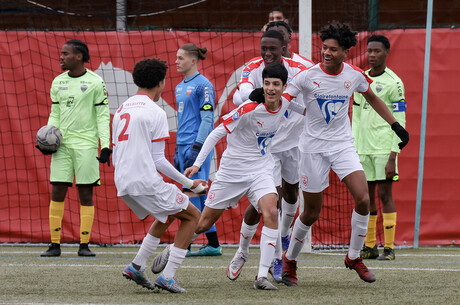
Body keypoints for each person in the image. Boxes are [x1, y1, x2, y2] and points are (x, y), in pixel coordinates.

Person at [153, 63, 306, 290]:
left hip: (261, 168)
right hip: (232, 171)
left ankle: (261, 276)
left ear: (284, 87)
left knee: (272, 211)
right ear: (262, 85)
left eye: (276, 84)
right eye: (267, 83)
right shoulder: (249, 107)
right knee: (203, 223)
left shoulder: (286, 104)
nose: (271, 88)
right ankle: (172, 248)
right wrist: (196, 165)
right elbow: (216, 132)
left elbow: (306, 110)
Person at [280, 22, 409, 286]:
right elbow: (284, 98)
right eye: (324, 48)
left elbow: (372, 98)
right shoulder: (306, 76)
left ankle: (353, 257)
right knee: (311, 213)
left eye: (333, 49)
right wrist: (290, 110)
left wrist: (395, 125)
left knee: (363, 198)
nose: (327, 53)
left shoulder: (354, 75)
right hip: (312, 150)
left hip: (342, 146)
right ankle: (290, 260)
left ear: (345, 52)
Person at [112, 58, 204, 293]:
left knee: (166, 215)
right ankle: (168, 276)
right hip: (143, 180)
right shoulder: (155, 112)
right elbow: (158, 160)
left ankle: (136, 266)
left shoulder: (121, 109)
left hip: (122, 181)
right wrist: (189, 183)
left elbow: (117, 152)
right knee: (193, 217)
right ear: (161, 83)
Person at [228, 29, 312, 284]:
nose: (267, 53)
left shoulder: (303, 68)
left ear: (286, 45)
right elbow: (240, 94)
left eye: (272, 49)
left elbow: (310, 100)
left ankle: (283, 235)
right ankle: (260, 254)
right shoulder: (252, 67)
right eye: (263, 48)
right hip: (268, 147)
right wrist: (248, 95)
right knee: (267, 202)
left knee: (291, 194)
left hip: (295, 144)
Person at [38, 39, 112, 257]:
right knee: (57, 190)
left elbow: (102, 116)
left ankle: (84, 245)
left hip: (86, 146)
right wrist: (48, 136)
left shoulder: (96, 82)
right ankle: (54, 245)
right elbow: (55, 114)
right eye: (61, 53)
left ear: (79, 57)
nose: (61, 57)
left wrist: (105, 145)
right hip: (62, 147)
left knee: (86, 193)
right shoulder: (57, 82)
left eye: (65, 53)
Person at [352, 35, 406, 261]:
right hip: (363, 148)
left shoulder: (395, 82)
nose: (372, 55)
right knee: (367, 197)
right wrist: (353, 146)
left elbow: (400, 120)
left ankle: (390, 248)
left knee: (385, 195)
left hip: (384, 148)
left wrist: (394, 154)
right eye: (369, 51)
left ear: (386, 52)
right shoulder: (360, 80)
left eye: (377, 51)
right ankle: (371, 246)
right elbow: (355, 115)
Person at [173, 43, 222, 257]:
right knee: (199, 193)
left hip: (196, 146)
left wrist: (197, 146)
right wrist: (178, 148)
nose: (176, 61)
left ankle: (186, 242)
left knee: (191, 191)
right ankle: (213, 244)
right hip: (182, 144)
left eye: (181, 58)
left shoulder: (204, 85)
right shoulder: (179, 86)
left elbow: (208, 118)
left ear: (193, 61)